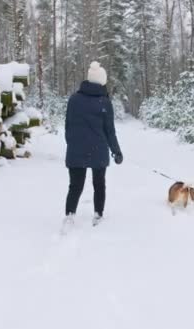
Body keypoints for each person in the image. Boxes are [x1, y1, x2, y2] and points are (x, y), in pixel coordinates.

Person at [64, 61, 123, 226]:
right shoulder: (104, 102)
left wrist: (72, 144)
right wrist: (116, 151)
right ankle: (98, 215)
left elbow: (67, 126)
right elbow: (110, 131)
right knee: (99, 184)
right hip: (98, 149)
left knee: (75, 185)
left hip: (76, 149)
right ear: (102, 81)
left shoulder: (74, 99)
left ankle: (69, 215)